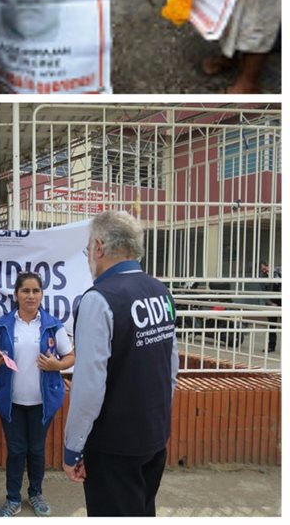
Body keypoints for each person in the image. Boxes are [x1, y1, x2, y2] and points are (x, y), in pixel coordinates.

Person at [63, 211, 177, 516]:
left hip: (114, 445)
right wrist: (159, 421)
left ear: (99, 247)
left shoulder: (99, 299)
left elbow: (88, 387)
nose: (88, 254)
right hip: (153, 435)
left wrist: (73, 447)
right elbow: (171, 369)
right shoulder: (160, 292)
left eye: (89, 247)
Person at [0, 272, 75, 517]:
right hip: (11, 402)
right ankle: (12, 499)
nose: (31, 296)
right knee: (15, 450)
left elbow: (70, 356)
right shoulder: (2, 323)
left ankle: (35, 493)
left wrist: (57, 366)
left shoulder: (53, 324)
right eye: (25, 291)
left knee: (36, 449)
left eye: (36, 291)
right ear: (16, 295)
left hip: (41, 403)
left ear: (42, 295)